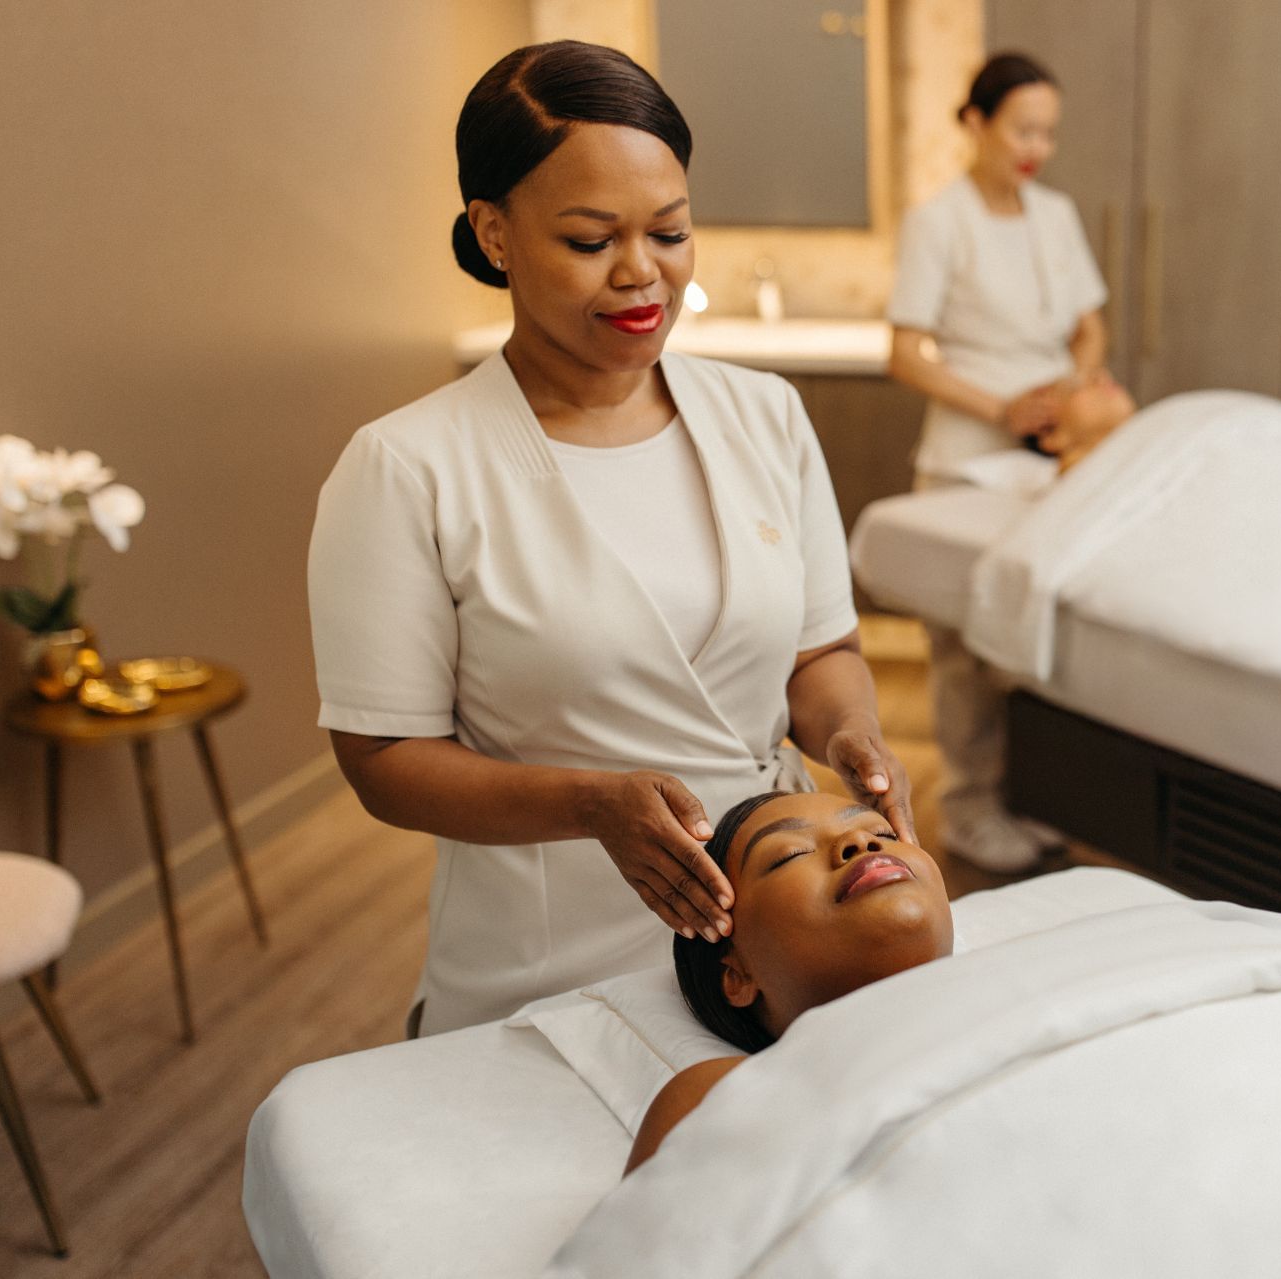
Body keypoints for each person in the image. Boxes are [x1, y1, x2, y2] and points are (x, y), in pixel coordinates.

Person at [307, 42, 912, 1038]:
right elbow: (382, 758)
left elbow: (819, 652)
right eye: (590, 240)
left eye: (670, 232)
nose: (643, 275)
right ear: (493, 232)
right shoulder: (405, 468)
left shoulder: (765, 415)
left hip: (776, 949)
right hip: (549, 963)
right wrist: (592, 805)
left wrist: (853, 737)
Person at [885, 52, 1108, 872]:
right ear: (975, 123)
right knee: (963, 651)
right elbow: (905, 353)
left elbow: (1090, 325)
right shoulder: (939, 222)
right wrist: (1003, 408)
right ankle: (969, 807)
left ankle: (1031, 795)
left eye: (1048, 132)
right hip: (967, 458)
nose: (1036, 146)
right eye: (1021, 128)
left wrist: (1072, 388)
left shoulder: (1054, 213)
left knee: (1028, 634)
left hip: (1046, 459)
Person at [628, 790, 954, 1173]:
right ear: (737, 974)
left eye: (883, 834)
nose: (860, 842)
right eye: (790, 855)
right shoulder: (720, 1097)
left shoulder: (1035, 972)